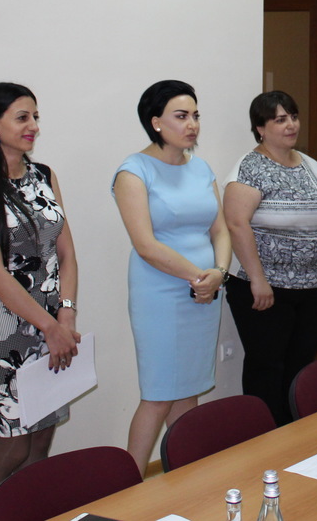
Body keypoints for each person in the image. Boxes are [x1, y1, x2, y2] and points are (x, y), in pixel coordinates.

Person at [0, 83, 80, 521]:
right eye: (22, 118)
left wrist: (66, 314)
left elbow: (66, 254)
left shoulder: (43, 175)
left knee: (41, 443)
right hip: (11, 335)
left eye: (35, 117)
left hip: (56, 328)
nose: (33, 127)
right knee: (11, 448)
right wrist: (50, 327)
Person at [112, 80, 231, 475]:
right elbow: (145, 245)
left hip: (204, 294)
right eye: (181, 116)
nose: (192, 124)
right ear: (156, 122)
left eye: (195, 115)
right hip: (161, 294)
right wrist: (201, 277)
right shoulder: (133, 171)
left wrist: (219, 273)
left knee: (188, 390)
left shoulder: (201, 168)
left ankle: (185, 481)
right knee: (159, 393)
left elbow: (220, 230)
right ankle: (126, 489)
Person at [223, 91, 317, 425]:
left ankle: (293, 434)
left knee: (300, 367)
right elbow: (236, 223)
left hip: (311, 288)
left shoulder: (311, 165)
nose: (291, 125)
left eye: (293, 117)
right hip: (263, 290)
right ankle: (264, 437)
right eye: (280, 119)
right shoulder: (250, 167)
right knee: (267, 368)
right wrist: (259, 280)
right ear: (260, 128)